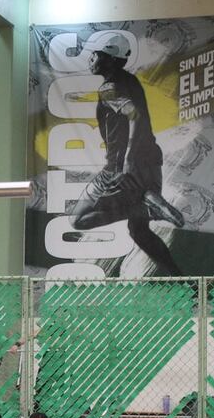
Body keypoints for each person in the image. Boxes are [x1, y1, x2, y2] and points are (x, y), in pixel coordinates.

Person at [71, 34, 186, 276]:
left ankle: (142, 206)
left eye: (96, 54)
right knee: (140, 232)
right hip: (150, 162)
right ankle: (186, 284)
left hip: (123, 168)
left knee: (78, 220)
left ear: (110, 59)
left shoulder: (109, 88)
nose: (90, 59)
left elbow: (135, 116)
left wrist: (127, 163)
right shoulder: (130, 81)